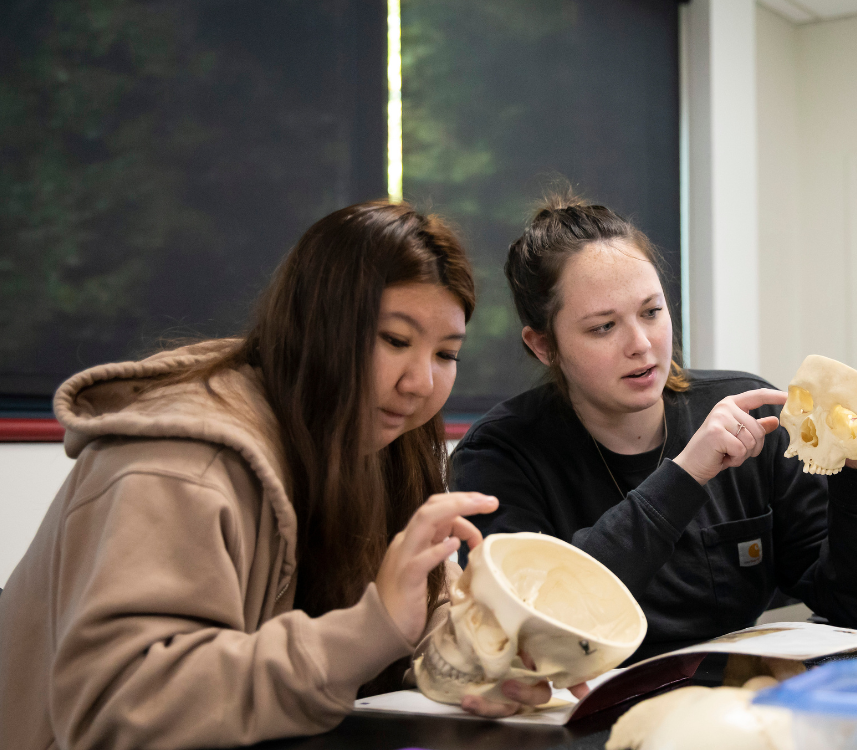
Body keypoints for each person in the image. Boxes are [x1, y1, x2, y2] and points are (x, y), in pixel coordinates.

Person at [0, 202, 557, 750]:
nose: (420, 382)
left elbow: (409, 614)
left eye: (446, 354)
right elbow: (123, 707)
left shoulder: (380, 442)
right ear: (318, 325)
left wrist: (477, 660)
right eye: (395, 340)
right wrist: (372, 626)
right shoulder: (181, 462)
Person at [449, 196, 857, 661]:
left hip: (730, 709)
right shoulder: (496, 456)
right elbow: (537, 624)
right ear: (543, 346)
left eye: (651, 312)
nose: (641, 344)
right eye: (602, 327)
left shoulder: (748, 413)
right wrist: (686, 475)